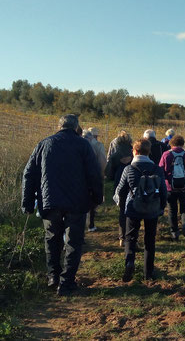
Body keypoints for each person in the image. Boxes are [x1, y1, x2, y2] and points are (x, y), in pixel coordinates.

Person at [21, 114, 103, 296]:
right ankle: (66, 282)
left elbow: (29, 174)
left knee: (52, 238)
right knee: (74, 241)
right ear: (76, 128)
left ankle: (54, 276)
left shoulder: (44, 144)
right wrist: (97, 197)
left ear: (59, 127)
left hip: (50, 200)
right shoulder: (83, 145)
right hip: (77, 201)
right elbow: (94, 174)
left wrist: (27, 202)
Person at [114, 139, 167, 281]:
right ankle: (148, 273)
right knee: (150, 240)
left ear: (135, 151)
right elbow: (163, 191)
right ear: (149, 152)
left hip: (133, 208)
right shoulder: (157, 169)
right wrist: (161, 207)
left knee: (130, 237)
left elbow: (120, 191)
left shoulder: (129, 169)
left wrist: (120, 205)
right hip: (152, 208)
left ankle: (129, 262)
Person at [159, 135, 185, 244]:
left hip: (170, 188)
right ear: (182, 144)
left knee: (172, 210)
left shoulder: (166, 155)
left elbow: (161, 171)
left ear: (171, 144)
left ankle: (174, 233)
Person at [105, 132, 133, 246]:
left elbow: (109, 173)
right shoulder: (133, 152)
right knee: (131, 209)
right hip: (132, 181)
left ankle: (122, 237)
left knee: (122, 210)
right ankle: (130, 235)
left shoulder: (115, 155)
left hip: (119, 182)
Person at [86, 127, 107, 232]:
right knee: (92, 201)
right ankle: (91, 224)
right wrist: (102, 175)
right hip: (94, 176)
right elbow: (103, 162)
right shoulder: (99, 145)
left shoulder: (79, 143)